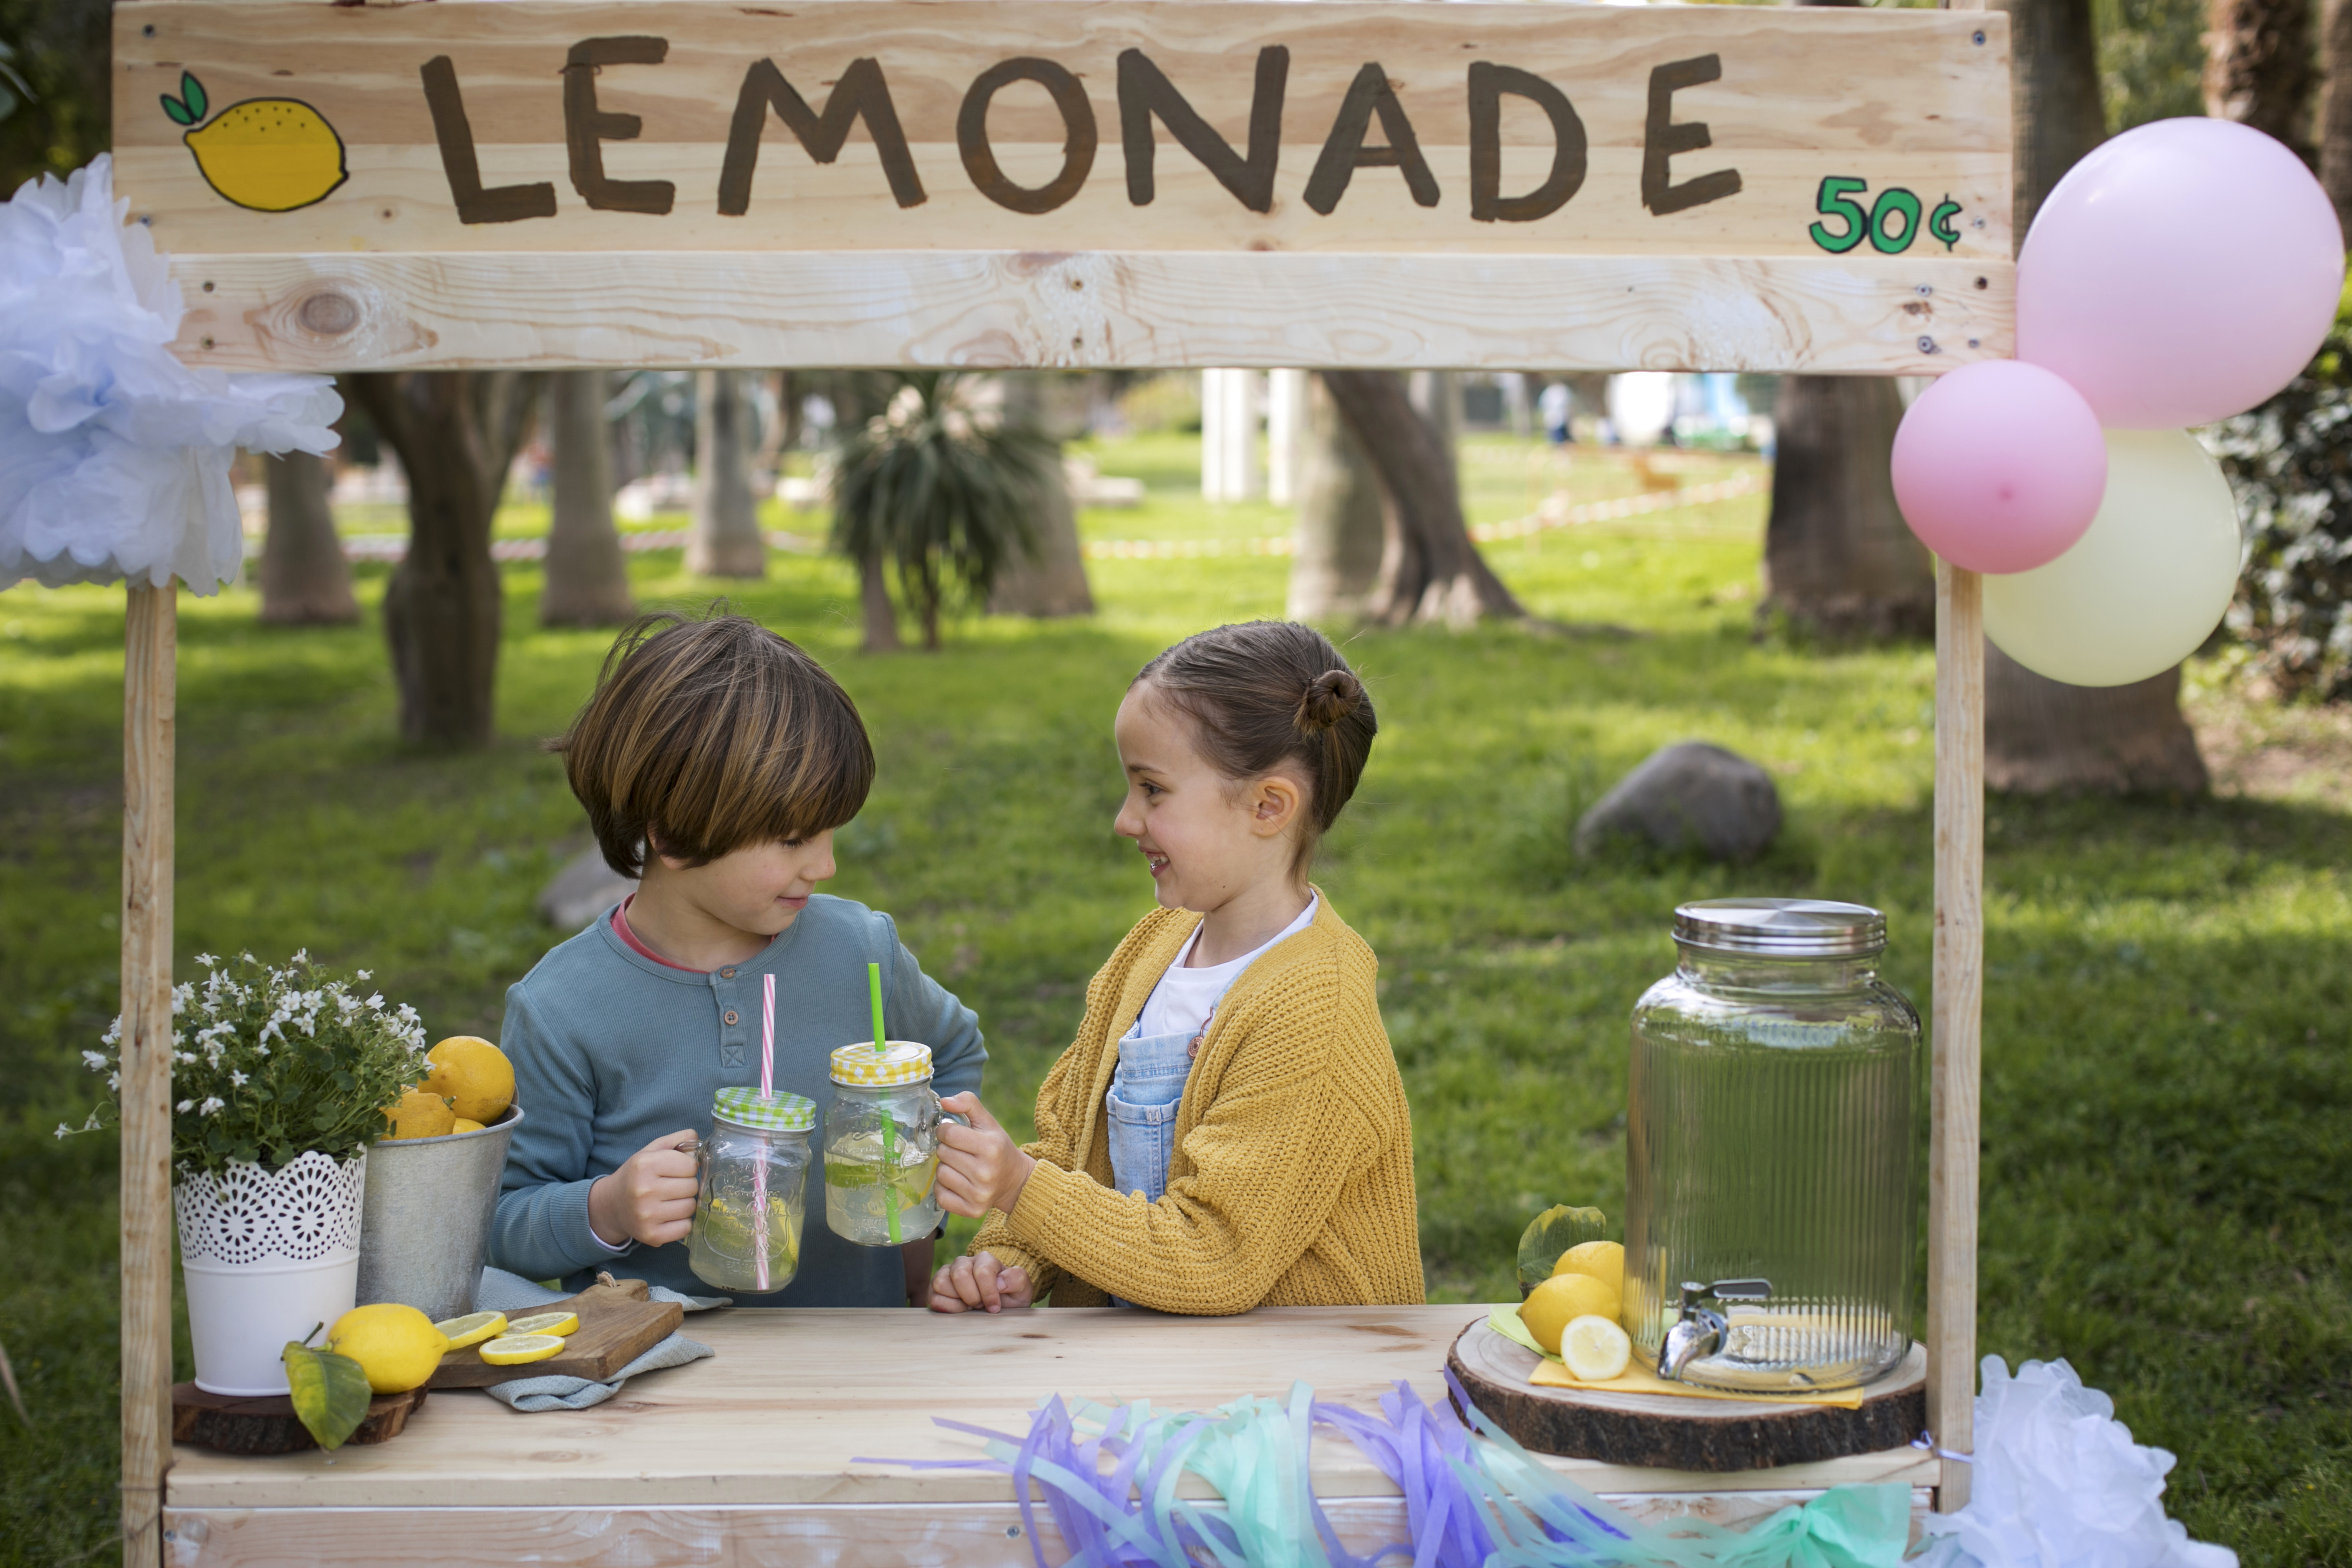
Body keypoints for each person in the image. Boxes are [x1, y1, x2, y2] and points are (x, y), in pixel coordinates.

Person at [490, 612, 983, 1306]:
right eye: (791, 839)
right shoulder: (563, 1008)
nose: (826, 865)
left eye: (830, 833)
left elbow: (954, 1052)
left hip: (865, 1365)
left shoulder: (862, 952)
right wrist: (605, 1210)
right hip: (658, 1379)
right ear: (671, 833)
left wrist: (922, 1166)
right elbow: (500, 1219)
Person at [927, 621, 1420, 1315]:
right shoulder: (1151, 950)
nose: (1124, 820)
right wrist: (1011, 1258)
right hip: (1156, 1374)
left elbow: (1216, 1259)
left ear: (1268, 806)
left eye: (1152, 790)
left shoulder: (1314, 1011)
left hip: (1295, 1391)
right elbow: (1069, 1149)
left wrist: (1018, 1189)